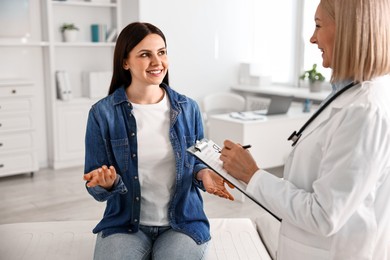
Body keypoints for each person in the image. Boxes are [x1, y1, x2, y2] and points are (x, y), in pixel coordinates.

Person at [220, 0, 390, 259]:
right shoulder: (350, 95)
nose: (312, 39)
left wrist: (253, 174)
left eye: (318, 25)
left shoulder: (364, 111)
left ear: (348, 29)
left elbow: (324, 215)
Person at [83, 22, 233, 260]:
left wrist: (204, 174)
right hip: (125, 224)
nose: (157, 62)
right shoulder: (102, 114)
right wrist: (106, 183)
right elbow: (95, 183)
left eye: (161, 52)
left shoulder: (188, 108)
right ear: (125, 62)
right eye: (145, 55)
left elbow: (197, 161)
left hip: (182, 223)